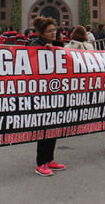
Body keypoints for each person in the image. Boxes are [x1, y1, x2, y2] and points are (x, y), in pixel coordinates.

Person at [30, 17, 66, 176]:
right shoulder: (35, 45)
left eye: (54, 30)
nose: (53, 33)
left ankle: (50, 158)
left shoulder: (57, 44)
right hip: (42, 93)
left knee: (54, 127)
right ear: (41, 33)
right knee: (44, 127)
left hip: (55, 91)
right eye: (50, 31)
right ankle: (40, 163)